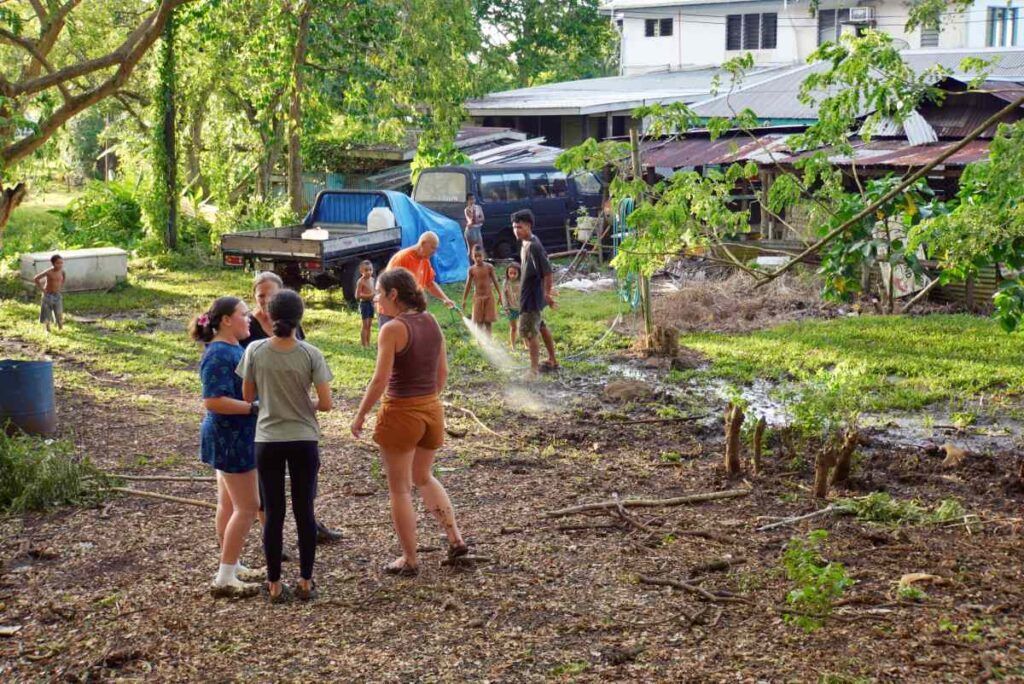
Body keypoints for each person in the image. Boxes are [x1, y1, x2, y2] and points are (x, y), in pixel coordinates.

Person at [351, 268, 467, 576]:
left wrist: (361, 413)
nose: (375, 298)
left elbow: (380, 380)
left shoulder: (392, 329)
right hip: (431, 410)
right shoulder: (431, 322)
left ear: (393, 295)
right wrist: (427, 400)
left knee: (399, 489)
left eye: (378, 293)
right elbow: (442, 374)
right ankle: (455, 539)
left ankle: (410, 559)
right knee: (424, 476)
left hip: (401, 412)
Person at [238, 289, 333, 603]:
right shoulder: (310, 353)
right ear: (299, 317)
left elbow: (247, 395)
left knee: (273, 512)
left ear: (270, 315)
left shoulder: (255, 350)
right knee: (304, 509)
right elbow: (327, 404)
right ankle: (306, 581)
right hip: (304, 438)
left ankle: (275, 583)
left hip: (267, 439)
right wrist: (306, 401)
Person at [243, 271, 342, 546]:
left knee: (305, 476)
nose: (265, 302)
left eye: (271, 296)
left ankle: (308, 523)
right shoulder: (247, 327)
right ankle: (272, 539)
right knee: (267, 485)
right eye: (260, 296)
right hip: (261, 414)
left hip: (297, 416)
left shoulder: (291, 322)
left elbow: (302, 363)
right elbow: (243, 379)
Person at [190, 297, 263, 598]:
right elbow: (213, 400)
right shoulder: (219, 354)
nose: (249, 319)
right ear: (226, 320)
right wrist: (253, 408)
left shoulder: (233, 348)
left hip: (232, 435)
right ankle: (224, 577)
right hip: (229, 438)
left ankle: (230, 565)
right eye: (244, 315)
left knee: (229, 505)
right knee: (248, 507)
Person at [512, 209, 559, 376]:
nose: (516, 230)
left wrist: (547, 293)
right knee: (540, 325)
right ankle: (552, 359)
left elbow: (547, 272)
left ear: (528, 226)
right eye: (514, 227)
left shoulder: (534, 246)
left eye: (519, 227)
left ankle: (533, 370)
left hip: (532, 296)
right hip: (529, 294)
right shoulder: (525, 243)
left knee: (530, 332)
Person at [383, 232, 456, 325]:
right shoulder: (403, 258)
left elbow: (430, 283)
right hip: (392, 311)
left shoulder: (425, 260)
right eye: (432, 247)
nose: (434, 252)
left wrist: (445, 299)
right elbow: (391, 288)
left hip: (409, 309)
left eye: (436, 249)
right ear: (423, 243)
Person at [461, 245, 502, 336]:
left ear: (484, 256)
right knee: (478, 321)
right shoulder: (471, 269)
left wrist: (500, 294)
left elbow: (495, 281)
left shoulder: (489, 267)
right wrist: (464, 299)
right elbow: (468, 285)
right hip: (478, 298)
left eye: (480, 256)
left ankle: (489, 340)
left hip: (489, 297)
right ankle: (481, 342)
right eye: (476, 256)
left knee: (488, 321)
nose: (478, 258)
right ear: (472, 257)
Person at [34, 254, 66, 333]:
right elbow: (36, 278)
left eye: (61, 263)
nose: (60, 265)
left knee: (59, 312)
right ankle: (47, 328)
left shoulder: (62, 271)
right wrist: (42, 289)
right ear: (53, 264)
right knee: (47, 312)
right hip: (48, 294)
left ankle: (60, 327)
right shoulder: (49, 272)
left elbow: (63, 278)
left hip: (57, 294)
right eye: (58, 263)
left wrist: (60, 287)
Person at [502, 263, 522, 349]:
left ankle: (526, 344)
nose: (513, 275)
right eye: (511, 273)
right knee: (513, 327)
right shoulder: (506, 283)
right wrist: (506, 308)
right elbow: (504, 296)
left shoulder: (521, 282)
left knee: (522, 327)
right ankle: (513, 345)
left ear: (519, 273)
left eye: (515, 273)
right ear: (507, 273)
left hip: (522, 308)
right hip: (511, 309)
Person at [356, 260, 375, 348]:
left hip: (371, 304)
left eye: (370, 270)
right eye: (366, 270)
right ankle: (364, 345)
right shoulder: (361, 281)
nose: (369, 272)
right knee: (365, 325)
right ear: (361, 271)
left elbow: (374, 291)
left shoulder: (372, 279)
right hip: (364, 304)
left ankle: (368, 343)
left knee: (370, 325)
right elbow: (357, 295)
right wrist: (369, 295)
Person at [463, 194, 484, 260]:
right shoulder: (467, 210)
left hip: (478, 229)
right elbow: (472, 221)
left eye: (473, 199)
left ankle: (480, 265)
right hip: (470, 231)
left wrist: (477, 220)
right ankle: (469, 266)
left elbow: (483, 218)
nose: (472, 201)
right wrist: (474, 214)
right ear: (467, 201)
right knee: (471, 250)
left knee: (480, 247)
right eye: (470, 199)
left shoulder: (479, 207)